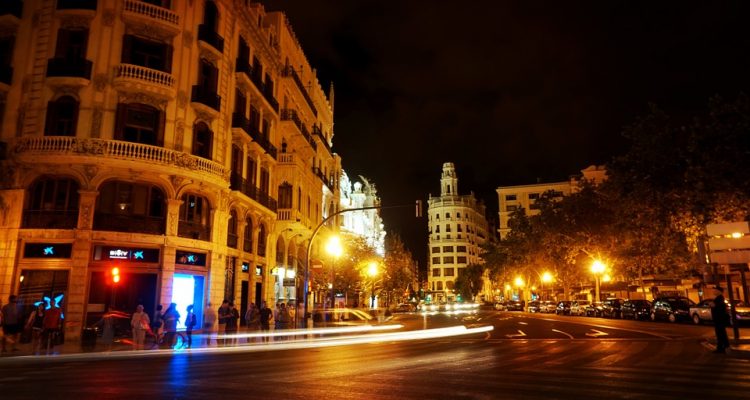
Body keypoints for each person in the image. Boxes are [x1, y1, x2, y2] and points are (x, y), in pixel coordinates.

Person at [711, 285, 731, 354]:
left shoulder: (719, 298)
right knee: (720, 334)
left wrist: (712, 305)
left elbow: (717, 307)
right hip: (719, 319)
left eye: (715, 290)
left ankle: (723, 347)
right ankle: (721, 347)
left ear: (719, 291)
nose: (714, 291)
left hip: (719, 319)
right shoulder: (718, 298)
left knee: (721, 334)